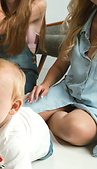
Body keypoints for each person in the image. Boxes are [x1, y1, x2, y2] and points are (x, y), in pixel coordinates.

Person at [26, 0, 97, 157]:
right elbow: (60, 65)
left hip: (94, 107)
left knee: (76, 129)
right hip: (67, 91)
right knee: (20, 113)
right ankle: (61, 108)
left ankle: (54, 114)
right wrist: (46, 84)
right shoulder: (81, 19)